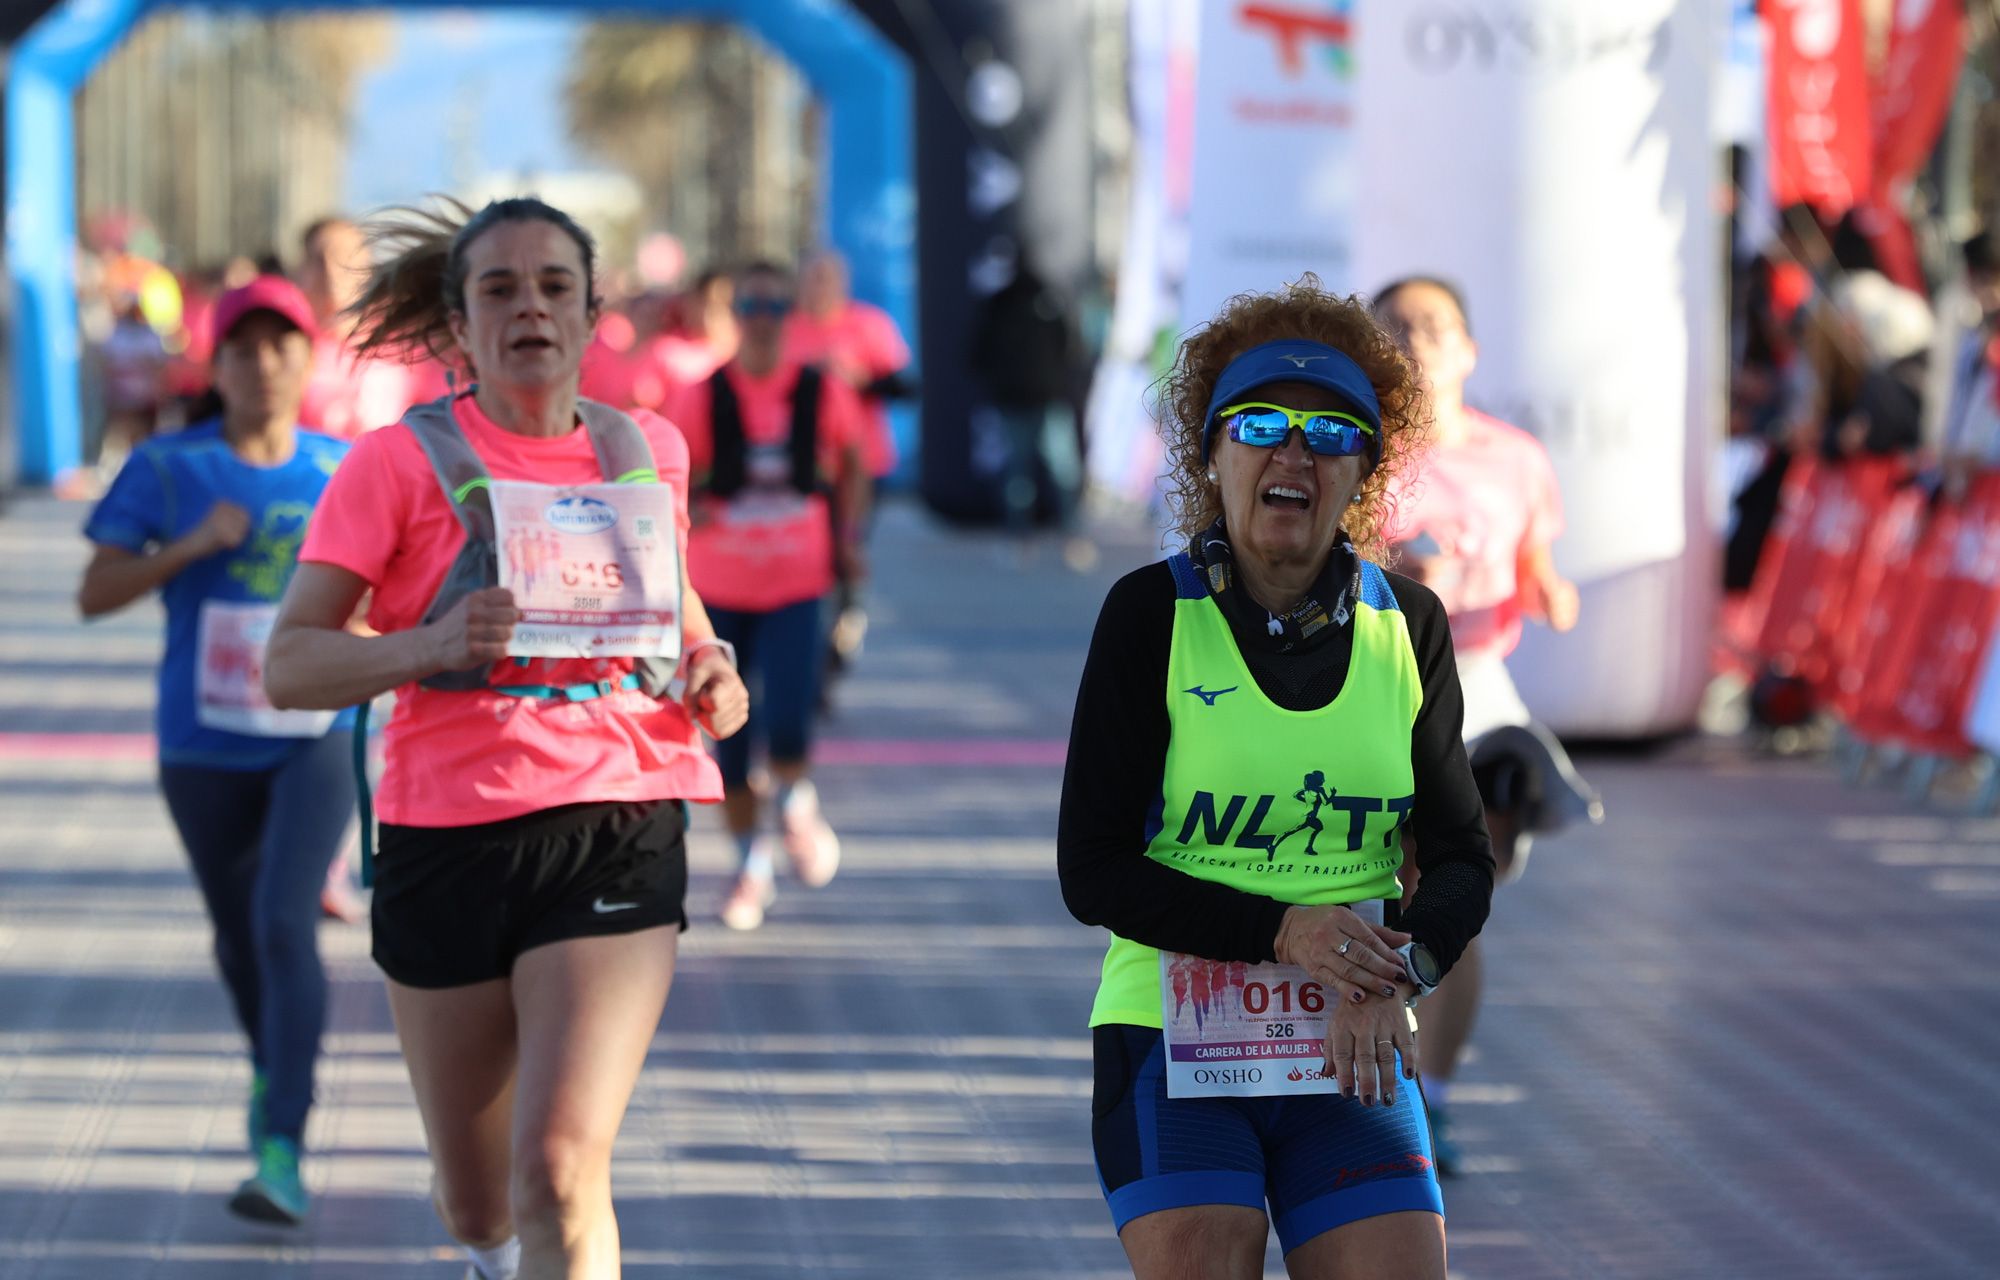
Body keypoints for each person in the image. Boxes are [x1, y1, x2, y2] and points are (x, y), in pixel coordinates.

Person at [264, 197, 749, 1280]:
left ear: (590, 313)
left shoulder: (644, 449)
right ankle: (490, 1251)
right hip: (446, 831)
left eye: (552, 285)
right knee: (482, 1200)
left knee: (561, 1170)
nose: (528, 305)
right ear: (456, 322)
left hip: (617, 814)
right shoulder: (395, 464)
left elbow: (682, 621)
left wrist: (715, 673)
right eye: (498, 287)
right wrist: (424, 642)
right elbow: (289, 663)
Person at [1059, 277, 1495, 1278]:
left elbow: (1462, 855)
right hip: (1171, 1032)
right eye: (1259, 424)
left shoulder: (1408, 625)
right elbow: (1091, 869)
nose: (1292, 452)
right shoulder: (1148, 615)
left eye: (1330, 433)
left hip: (1347, 1036)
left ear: (1364, 473)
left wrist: (1402, 970)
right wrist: (1282, 928)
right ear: (1212, 454)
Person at [77, 275, 357, 1226]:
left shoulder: (345, 469)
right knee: (240, 939)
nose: (264, 365)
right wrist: (189, 547)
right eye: (244, 348)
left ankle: (282, 1141)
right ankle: (272, 1069)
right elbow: (95, 591)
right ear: (218, 364)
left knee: (286, 922)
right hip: (201, 744)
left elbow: (403, 587)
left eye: (284, 347)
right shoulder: (167, 467)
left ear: (309, 360)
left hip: (314, 734)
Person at [1372, 275, 1598, 1176]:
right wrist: (1391, 564)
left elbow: (1538, 563)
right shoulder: (1357, 454)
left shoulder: (1516, 459)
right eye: (1399, 326)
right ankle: (1370, 1083)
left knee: (1453, 903)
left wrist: (1551, 591)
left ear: (1468, 349)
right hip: (1379, 687)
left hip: (1477, 693)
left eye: (1438, 326)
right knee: (1389, 894)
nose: (1421, 341)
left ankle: (1435, 1099)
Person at [669, 260, 870, 931]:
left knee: (788, 722)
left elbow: (854, 464)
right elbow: (667, 480)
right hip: (718, 588)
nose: (761, 320)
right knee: (728, 742)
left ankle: (793, 799)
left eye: (775, 307)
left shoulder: (820, 390)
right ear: (732, 315)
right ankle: (751, 864)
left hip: (798, 582)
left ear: (792, 317)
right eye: (748, 305)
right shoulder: (701, 395)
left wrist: (849, 539)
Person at [783, 252, 915, 669]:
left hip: (863, 463)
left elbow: (904, 387)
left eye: (827, 279)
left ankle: (846, 620)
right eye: (812, 278)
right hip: (804, 465)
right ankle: (812, 644)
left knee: (848, 548)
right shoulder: (787, 330)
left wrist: (862, 379)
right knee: (809, 557)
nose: (819, 287)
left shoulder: (868, 324)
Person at [970, 259, 1095, 572]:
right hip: (1025, 400)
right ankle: (1029, 538)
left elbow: (1068, 346)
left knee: (1050, 471)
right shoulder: (1006, 305)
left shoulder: (1026, 304)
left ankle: (1062, 536)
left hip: (1041, 400)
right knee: (1027, 474)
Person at [297, 215, 448, 441]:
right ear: (301, 271)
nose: (331, 272)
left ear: (367, 267)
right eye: (318, 260)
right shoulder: (290, 346)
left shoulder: (404, 343)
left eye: (343, 257)